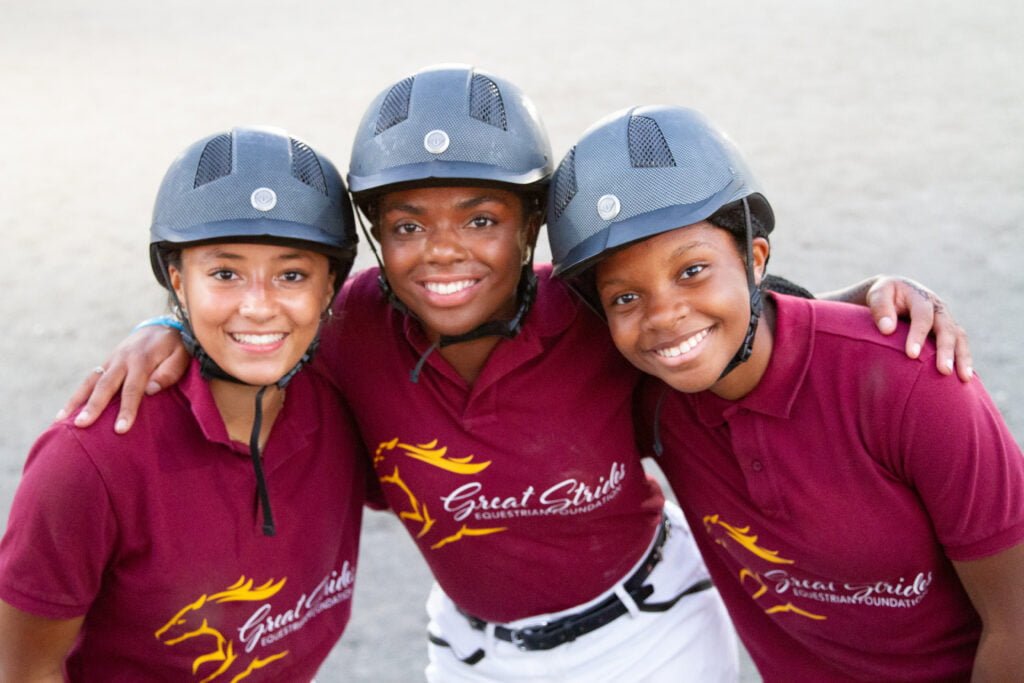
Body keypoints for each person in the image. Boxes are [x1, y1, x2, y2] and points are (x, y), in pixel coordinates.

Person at [61, 66, 970, 682]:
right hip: (468, 648)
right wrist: (165, 322)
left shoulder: (597, 314)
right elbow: (257, 323)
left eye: (482, 218)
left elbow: (734, 327)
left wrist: (874, 301)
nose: (443, 251)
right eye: (408, 224)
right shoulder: (345, 331)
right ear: (374, 237)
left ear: (534, 221)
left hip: (648, 629)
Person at [545, 104, 1024, 680]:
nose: (665, 316)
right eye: (625, 298)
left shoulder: (911, 383)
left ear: (754, 257)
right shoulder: (654, 399)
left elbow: (1016, 622)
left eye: (692, 270)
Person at [0, 127, 370, 681]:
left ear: (330, 287)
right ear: (178, 281)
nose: (259, 306)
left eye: (291, 274)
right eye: (225, 274)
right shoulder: (88, 462)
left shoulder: (347, 396)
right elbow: (26, 670)